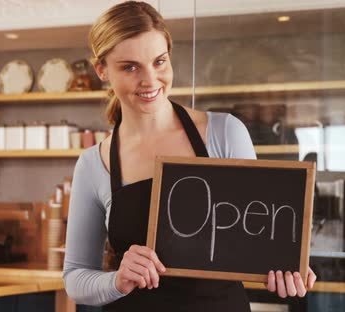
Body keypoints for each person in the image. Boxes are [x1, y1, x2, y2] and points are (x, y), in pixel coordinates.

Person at [63, 2, 316, 311]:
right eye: (130, 67)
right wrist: (117, 280)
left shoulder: (224, 133)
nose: (150, 80)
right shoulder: (94, 163)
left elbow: (262, 242)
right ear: (102, 70)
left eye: (159, 62)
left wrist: (287, 268)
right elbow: (75, 278)